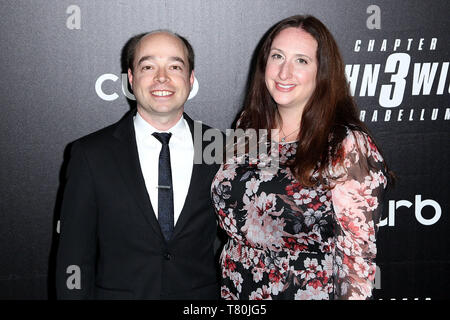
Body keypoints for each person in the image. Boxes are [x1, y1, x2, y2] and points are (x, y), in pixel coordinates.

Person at [211, 15, 392, 300]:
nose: (284, 72)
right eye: (277, 56)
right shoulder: (248, 125)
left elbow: (358, 260)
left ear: (322, 72)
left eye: (301, 61)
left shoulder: (346, 145)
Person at [56, 30, 220, 299]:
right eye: (148, 66)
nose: (162, 77)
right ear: (131, 79)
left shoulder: (220, 148)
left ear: (190, 79)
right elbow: (74, 257)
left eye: (175, 66)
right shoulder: (91, 154)